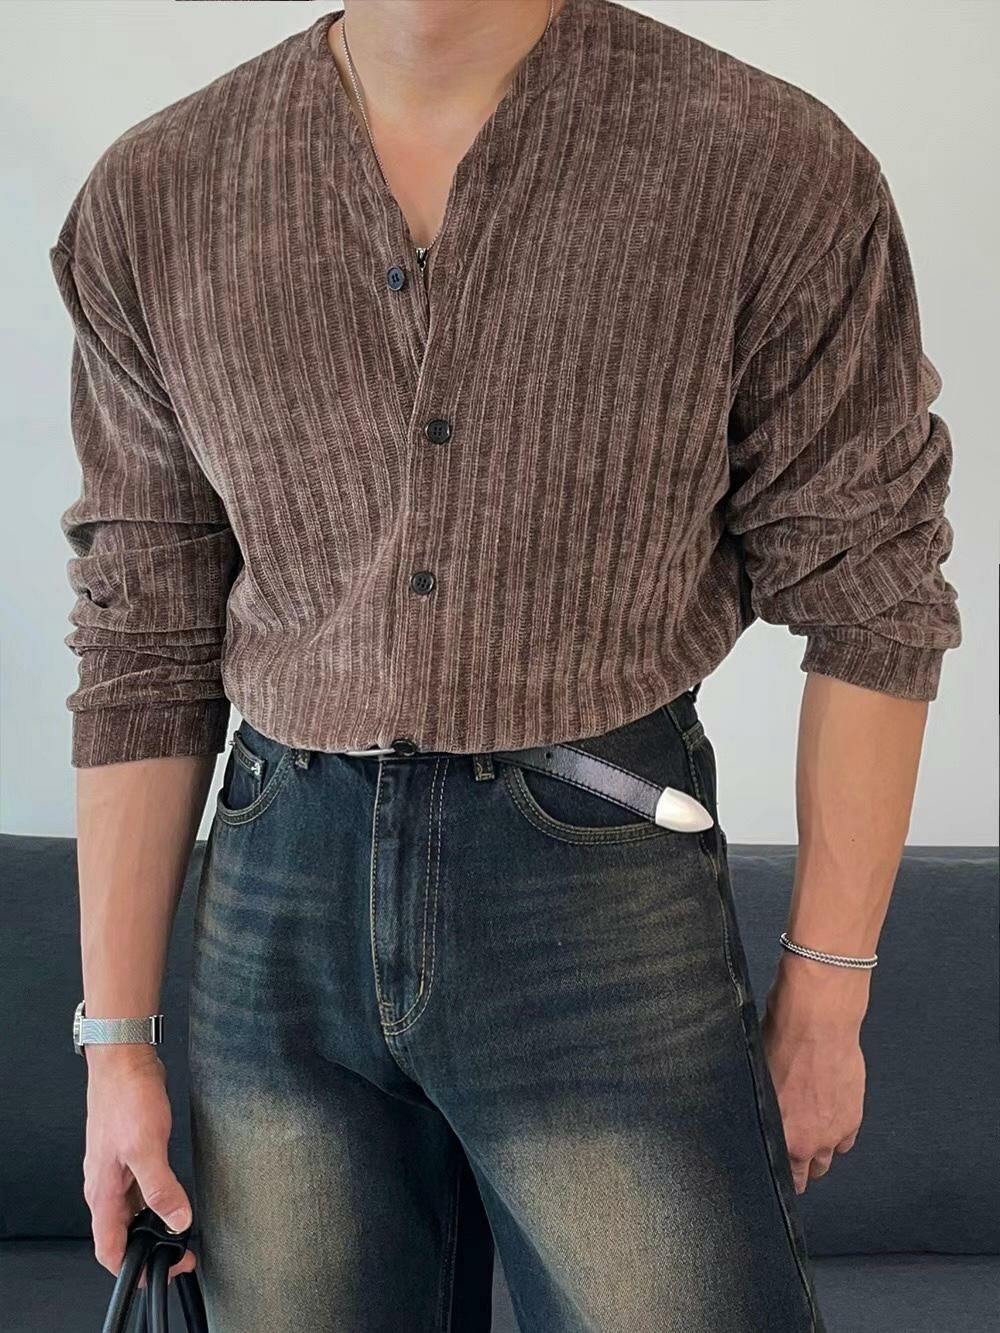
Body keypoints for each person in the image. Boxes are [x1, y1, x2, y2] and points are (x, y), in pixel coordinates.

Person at [50, 0, 961, 1328]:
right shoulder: (160, 191)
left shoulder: (764, 161)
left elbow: (875, 592)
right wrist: (116, 1046)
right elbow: (143, 633)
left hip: (596, 880)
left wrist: (825, 1001)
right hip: (275, 897)